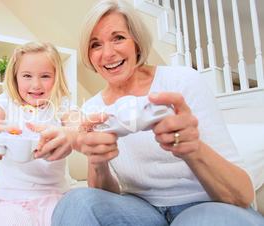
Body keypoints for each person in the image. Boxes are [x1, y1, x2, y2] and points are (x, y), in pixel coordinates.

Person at [49, 0, 264, 225]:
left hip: (205, 205)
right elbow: (102, 198)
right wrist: (97, 162)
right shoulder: (92, 109)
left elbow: (242, 195)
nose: (108, 53)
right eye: (95, 45)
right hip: (140, 209)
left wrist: (193, 149)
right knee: (76, 202)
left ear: (137, 43)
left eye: (118, 38)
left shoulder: (182, 81)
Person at [0, 41, 76, 226]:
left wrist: (70, 133)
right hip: (11, 199)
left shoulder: (62, 105)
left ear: (57, 78)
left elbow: (78, 124)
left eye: (45, 76)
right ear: (15, 77)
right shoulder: (7, 103)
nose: (36, 84)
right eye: (27, 76)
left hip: (56, 199)